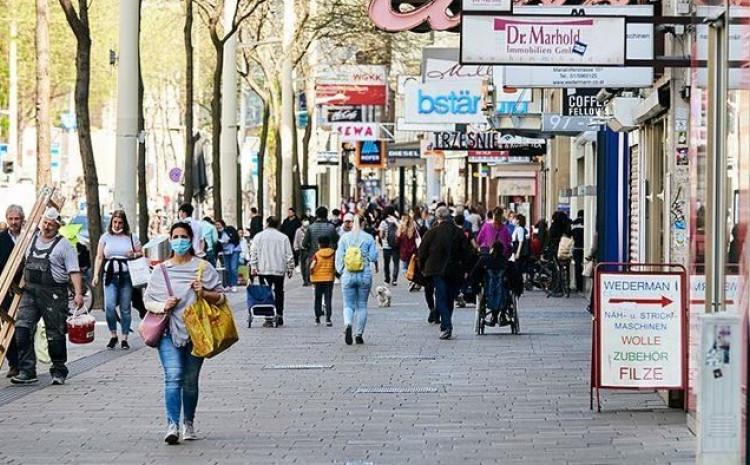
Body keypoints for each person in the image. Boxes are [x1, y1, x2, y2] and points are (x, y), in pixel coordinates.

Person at [143, 222, 224, 444]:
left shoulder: (204, 267)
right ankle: (172, 425)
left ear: (192, 240)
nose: (180, 240)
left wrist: (204, 292)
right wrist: (164, 306)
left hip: (197, 333)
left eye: (184, 236)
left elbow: (221, 297)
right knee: (173, 376)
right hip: (169, 332)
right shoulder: (161, 270)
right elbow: (148, 300)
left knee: (189, 381)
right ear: (170, 239)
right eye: (176, 236)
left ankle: (188, 422)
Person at [11, 208, 84, 386]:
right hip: (30, 292)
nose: (47, 226)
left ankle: (59, 370)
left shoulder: (65, 245)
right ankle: (27, 371)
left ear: (58, 226)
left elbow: (73, 271)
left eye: (51, 224)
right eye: (45, 222)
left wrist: (78, 293)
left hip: (54, 294)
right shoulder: (30, 240)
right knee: (22, 329)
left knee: (55, 334)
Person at [417, 206, 473, 340]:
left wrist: (423, 268)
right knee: (449, 298)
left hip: (437, 270)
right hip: (455, 270)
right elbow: (467, 252)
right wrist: (466, 269)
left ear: (438, 218)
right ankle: (446, 323)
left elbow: (422, 252)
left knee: (441, 297)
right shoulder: (458, 232)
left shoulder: (432, 232)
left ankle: (446, 326)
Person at [92, 210, 143, 350]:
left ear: (124, 223)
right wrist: (96, 275)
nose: (117, 225)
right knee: (109, 307)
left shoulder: (131, 237)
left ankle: (125, 338)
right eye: (115, 222)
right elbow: (99, 257)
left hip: (126, 276)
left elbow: (141, 252)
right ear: (111, 222)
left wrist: (134, 254)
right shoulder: (105, 237)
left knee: (125, 309)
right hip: (110, 276)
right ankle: (113, 335)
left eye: (120, 222)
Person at [335, 215, 378, 345]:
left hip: (348, 274)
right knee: (362, 305)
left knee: (348, 304)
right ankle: (359, 334)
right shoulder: (368, 238)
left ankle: (348, 324)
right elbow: (372, 257)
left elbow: (339, 259)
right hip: (364, 274)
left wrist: (342, 271)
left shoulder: (344, 238)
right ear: (363, 223)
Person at [250, 216, 294, 327]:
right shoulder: (283, 237)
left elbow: (253, 253)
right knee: (279, 292)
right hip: (278, 269)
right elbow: (289, 255)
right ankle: (279, 314)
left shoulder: (258, 237)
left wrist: (253, 267)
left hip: (263, 269)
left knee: (265, 292)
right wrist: (290, 268)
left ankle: (268, 317)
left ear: (267, 223)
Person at [1, 205, 24, 378]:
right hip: (6, 290)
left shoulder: (28, 237)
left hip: (27, 288)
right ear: (6, 219)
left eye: (17, 219)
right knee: (9, 326)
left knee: (25, 326)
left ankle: (26, 363)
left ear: (22, 219)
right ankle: (14, 363)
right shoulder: (1, 239)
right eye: (11, 219)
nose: (14, 222)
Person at [309, 235, 335, 326]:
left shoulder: (317, 254)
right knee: (328, 299)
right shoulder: (333, 253)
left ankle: (317, 318)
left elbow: (312, 266)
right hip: (329, 279)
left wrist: (311, 273)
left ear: (319, 244)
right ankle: (328, 319)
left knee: (318, 298)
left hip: (318, 279)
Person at [216, 220, 241, 292]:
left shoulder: (229, 229)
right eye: (216, 225)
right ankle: (228, 285)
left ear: (222, 224)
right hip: (225, 251)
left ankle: (234, 284)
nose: (217, 226)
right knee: (227, 268)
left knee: (233, 268)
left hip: (234, 250)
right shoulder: (217, 233)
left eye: (218, 224)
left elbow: (236, 238)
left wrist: (228, 241)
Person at [378, 206, 400, 286]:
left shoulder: (383, 222)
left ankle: (387, 279)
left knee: (386, 263)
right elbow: (401, 230)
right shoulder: (397, 221)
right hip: (396, 246)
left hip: (386, 246)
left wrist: (383, 238)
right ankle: (394, 280)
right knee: (396, 263)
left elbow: (381, 235)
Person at [571, 210, 585, 292]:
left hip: (576, 247)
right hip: (583, 247)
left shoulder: (573, 223)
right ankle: (584, 286)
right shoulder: (585, 222)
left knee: (577, 267)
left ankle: (578, 286)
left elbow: (571, 235)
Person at [294, 219, 311, 286]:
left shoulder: (310, 230)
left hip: (308, 250)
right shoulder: (298, 230)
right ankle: (304, 280)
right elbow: (296, 239)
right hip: (301, 250)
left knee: (308, 265)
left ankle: (308, 279)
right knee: (303, 266)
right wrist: (296, 248)